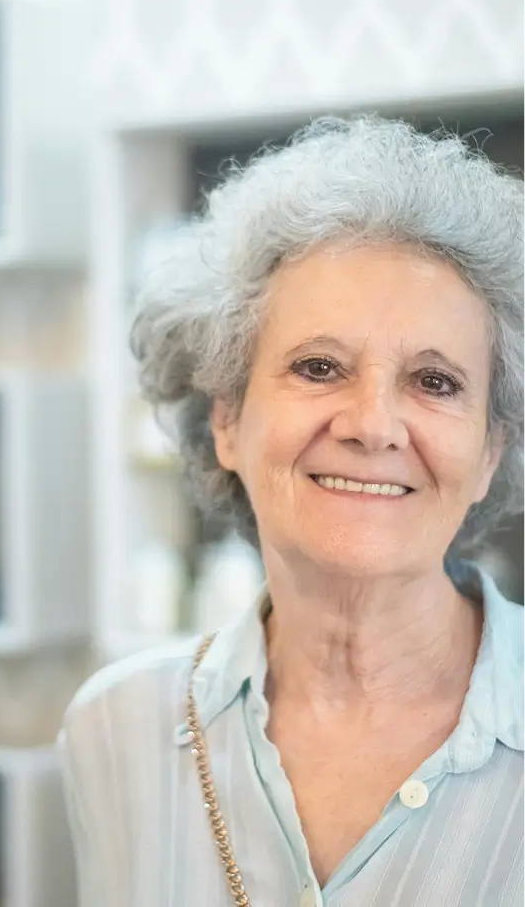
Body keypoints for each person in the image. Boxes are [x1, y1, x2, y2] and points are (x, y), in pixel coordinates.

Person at [58, 115, 525, 906]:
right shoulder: (115, 729)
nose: (372, 425)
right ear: (228, 420)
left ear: (488, 454)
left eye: (435, 382)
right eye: (319, 366)